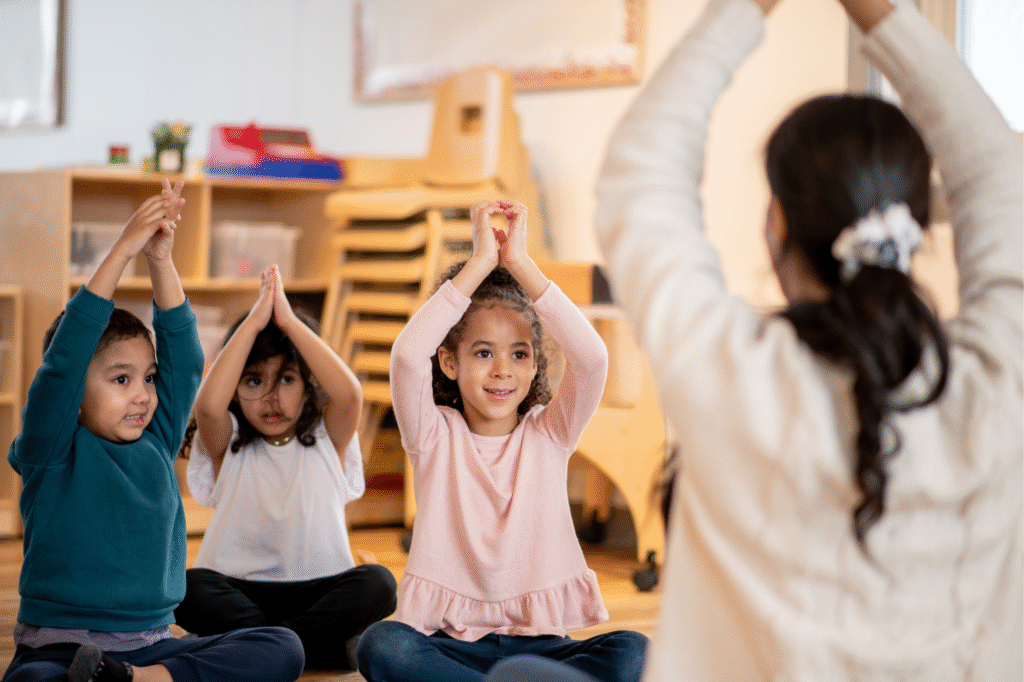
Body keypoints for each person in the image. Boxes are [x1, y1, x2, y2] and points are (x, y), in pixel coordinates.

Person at [592, 0, 1023, 679]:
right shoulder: (998, 380)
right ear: (915, 228)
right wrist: (885, 15)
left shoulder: (731, 370)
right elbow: (1001, 176)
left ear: (777, 225)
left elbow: (639, 171)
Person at [3, 179, 305, 682]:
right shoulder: (50, 449)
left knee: (281, 647)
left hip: (151, 649)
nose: (142, 394)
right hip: (59, 651)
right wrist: (123, 249)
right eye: (121, 380)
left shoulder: (157, 440)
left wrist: (160, 260)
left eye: (146, 378)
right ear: (74, 393)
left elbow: (185, 360)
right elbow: (63, 363)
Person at [355, 200, 649, 682]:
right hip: (451, 647)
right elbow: (408, 356)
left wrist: (522, 265)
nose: (501, 371)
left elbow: (592, 359)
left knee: (634, 649)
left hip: (543, 648)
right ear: (449, 362)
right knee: (382, 645)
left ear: (535, 365)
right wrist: (478, 265)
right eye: (483, 352)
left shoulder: (550, 433)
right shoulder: (432, 435)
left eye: (518, 354)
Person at [173, 264, 397, 670]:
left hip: (317, 590)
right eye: (254, 381)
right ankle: (310, 650)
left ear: (310, 382)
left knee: (380, 584)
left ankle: (255, 648)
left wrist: (289, 321)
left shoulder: (330, 439)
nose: (271, 398)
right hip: (239, 591)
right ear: (236, 391)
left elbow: (349, 394)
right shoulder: (228, 445)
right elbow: (208, 404)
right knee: (185, 589)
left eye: (287, 379)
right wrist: (257, 319)